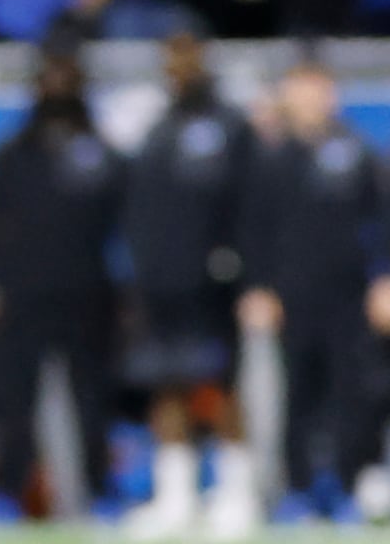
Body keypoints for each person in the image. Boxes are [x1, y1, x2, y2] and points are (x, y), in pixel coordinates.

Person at [239, 52, 390, 515]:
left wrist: (388, 278)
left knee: (352, 390)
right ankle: (298, 490)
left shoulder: (357, 152)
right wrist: (259, 286)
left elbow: (386, 223)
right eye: (300, 85)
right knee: (297, 396)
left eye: (318, 85)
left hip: (349, 294)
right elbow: (254, 230)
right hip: (292, 297)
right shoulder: (270, 158)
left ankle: (349, 485)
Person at [0, 43, 123, 518]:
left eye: (66, 78)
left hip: (87, 294)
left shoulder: (101, 153)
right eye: (49, 79)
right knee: (14, 399)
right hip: (22, 295)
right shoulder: (12, 155)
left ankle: (98, 493)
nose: (57, 88)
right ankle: (12, 493)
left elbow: (126, 223)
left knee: (92, 398)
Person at [121, 35, 253, 536]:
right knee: (166, 385)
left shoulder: (229, 127)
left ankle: (236, 492)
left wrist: (241, 265)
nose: (180, 67)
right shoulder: (153, 128)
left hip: (216, 280)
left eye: (188, 56)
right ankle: (176, 496)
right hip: (160, 281)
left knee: (219, 386)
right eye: (171, 57)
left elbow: (249, 203)